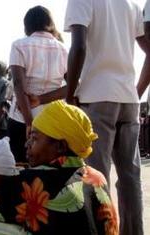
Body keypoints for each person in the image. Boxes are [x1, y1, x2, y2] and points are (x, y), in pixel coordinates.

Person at [64, 1, 150, 234]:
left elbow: (79, 46)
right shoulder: (131, 4)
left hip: (97, 96)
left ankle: (103, 231)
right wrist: (137, 91)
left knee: (96, 176)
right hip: (128, 99)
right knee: (130, 176)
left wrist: (69, 95)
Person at [0, 100, 118, 234]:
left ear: (60, 146)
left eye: (34, 138)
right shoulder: (97, 178)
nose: (27, 144)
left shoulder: (30, 182)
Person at [8, 5, 67, 163]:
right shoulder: (63, 49)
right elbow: (73, 87)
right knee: (50, 170)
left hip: (21, 118)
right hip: (54, 119)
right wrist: (42, 99)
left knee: (21, 168)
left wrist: (29, 123)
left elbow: (19, 84)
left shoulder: (19, 45)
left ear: (27, 25)